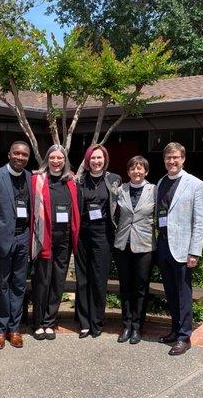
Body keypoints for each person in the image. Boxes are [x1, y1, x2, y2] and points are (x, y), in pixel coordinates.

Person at [156, 142, 203, 355]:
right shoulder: (160, 182)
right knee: (170, 292)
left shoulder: (195, 184)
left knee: (183, 293)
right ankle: (175, 330)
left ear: (183, 159)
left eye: (176, 157)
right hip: (163, 245)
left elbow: (200, 220)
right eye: (168, 158)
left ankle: (184, 337)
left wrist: (194, 251)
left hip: (183, 249)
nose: (172, 161)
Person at [0, 141, 31, 350]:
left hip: (23, 239)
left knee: (19, 286)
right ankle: (0, 330)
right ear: (9, 154)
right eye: (17, 153)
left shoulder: (30, 177)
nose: (20, 157)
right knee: (1, 286)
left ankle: (15, 329)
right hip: (1, 243)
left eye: (24, 155)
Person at [31, 145, 80, 340]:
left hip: (64, 240)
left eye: (60, 158)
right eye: (52, 157)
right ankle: (38, 323)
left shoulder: (71, 181)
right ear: (47, 159)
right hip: (44, 237)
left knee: (58, 281)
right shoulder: (37, 179)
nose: (56, 161)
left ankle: (50, 322)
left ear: (65, 160)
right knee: (42, 281)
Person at [75, 144, 121, 338]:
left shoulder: (114, 180)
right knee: (83, 278)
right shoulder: (80, 181)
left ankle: (97, 321)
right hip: (83, 233)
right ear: (87, 160)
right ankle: (84, 322)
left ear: (105, 159)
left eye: (99, 158)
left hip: (103, 233)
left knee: (99, 279)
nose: (96, 161)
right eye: (92, 158)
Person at [114, 156, 156, 344]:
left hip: (145, 245)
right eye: (133, 168)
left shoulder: (153, 190)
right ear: (128, 171)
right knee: (125, 286)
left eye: (140, 169)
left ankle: (138, 326)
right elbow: (113, 212)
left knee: (140, 286)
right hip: (123, 243)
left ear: (146, 172)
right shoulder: (120, 189)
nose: (136, 172)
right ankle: (127, 325)